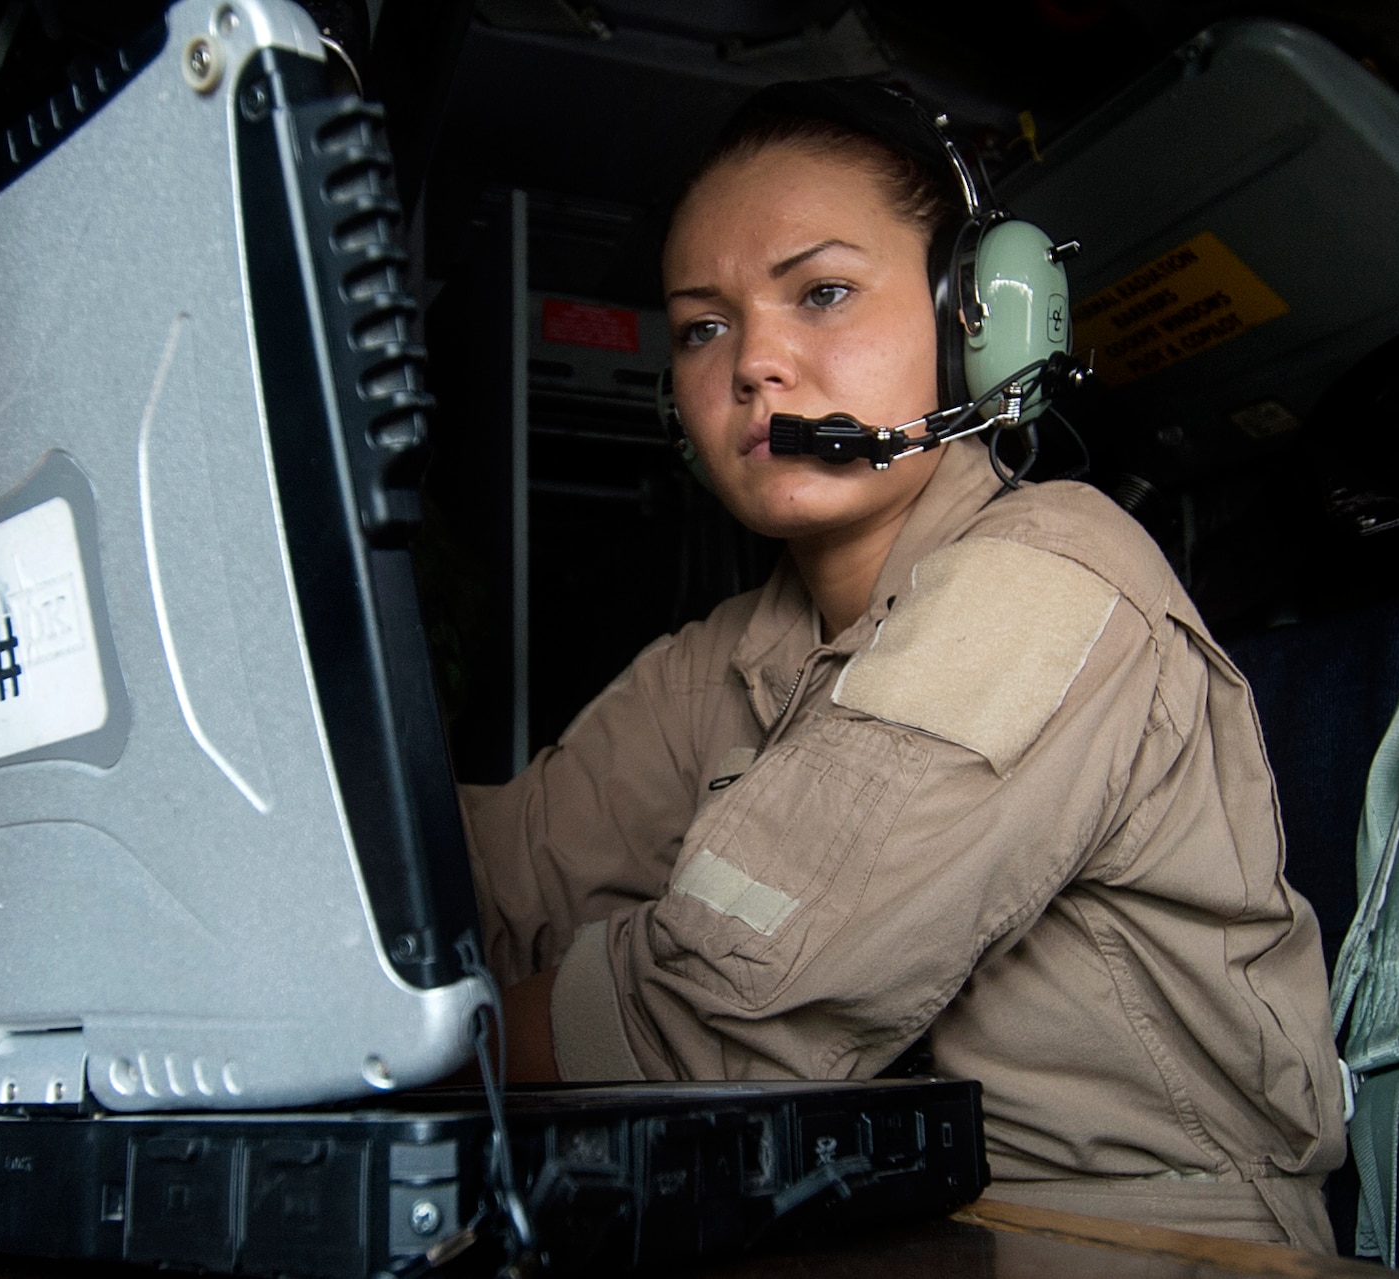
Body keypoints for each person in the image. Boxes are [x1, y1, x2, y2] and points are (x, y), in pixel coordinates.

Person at [460, 79, 1346, 1251]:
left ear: (976, 322)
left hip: (1137, 1245)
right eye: (701, 326)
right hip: (870, 1223)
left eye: (821, 293)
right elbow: (493, 882)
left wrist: (394, 1039)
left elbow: (717, 1019)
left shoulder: (1049, 574)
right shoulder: (728, 654)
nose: (754, 365)